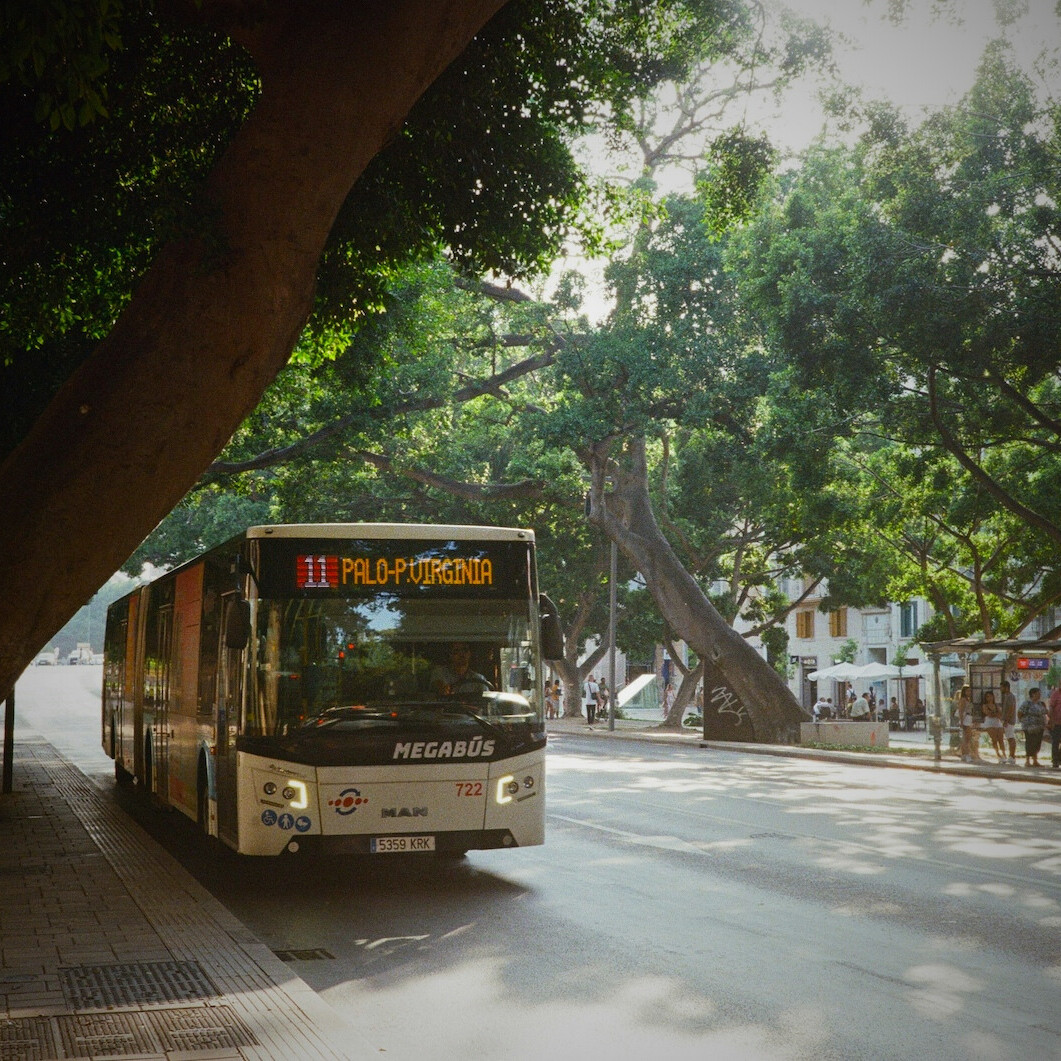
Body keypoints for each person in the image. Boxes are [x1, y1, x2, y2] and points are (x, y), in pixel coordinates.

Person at [1018, 687, 1047, 767]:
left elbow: (1045, 712)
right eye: (1038, 693)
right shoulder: (1027, 703)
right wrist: (1024, 721)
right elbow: (1020, 713)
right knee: (1030, 742)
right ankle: (1027, 760)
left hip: (1039, 727)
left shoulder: (1040, 704)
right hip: (1029, 727)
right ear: (1033, 694)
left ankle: (1035, 760)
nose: (1040, 694)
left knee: (1037, 743)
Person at [955, 685, 979, 763]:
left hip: (968, 717)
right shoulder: (963, 699)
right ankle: (967, 754)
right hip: (965, 718)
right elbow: (961, 711)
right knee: (966, 738)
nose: (969, 692)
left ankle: (964, 754)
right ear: (964, 692)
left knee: (967, 738)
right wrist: (961, 721)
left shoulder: (968, 699)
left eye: (970, 691)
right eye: (967, 691)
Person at [980, 690, 1006, 762]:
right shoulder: (985, 705)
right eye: (987, 697)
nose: (989, 698)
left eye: (991, 696)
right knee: (994, 739)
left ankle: (1004, 754)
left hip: (997, 722)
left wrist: (995, 714)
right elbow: (988, 714)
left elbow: (1000, 714)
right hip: (989, 722)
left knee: (1001, 739)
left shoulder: (996, 705)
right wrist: (995, 714)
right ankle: (998, 754)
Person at [1000, 680, 1018, 764]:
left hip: (1009, 721)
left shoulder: (1010, 696)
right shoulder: (1006, 696)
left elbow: (1011, 708)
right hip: (1007, 720)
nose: (1000, 689)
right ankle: (1011, 755)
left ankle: (1012, 756)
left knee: (1011, 738)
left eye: (1002, 687)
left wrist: (1006, 720)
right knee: (1009, 737)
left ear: (1006, 687)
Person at [1049, 684, 1061, 769]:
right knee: (1055, 742)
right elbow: (1051, 708)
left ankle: (1059, 758)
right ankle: (1055, 760)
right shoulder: (1055, 694)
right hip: (1057, 722)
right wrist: (1051, 720)